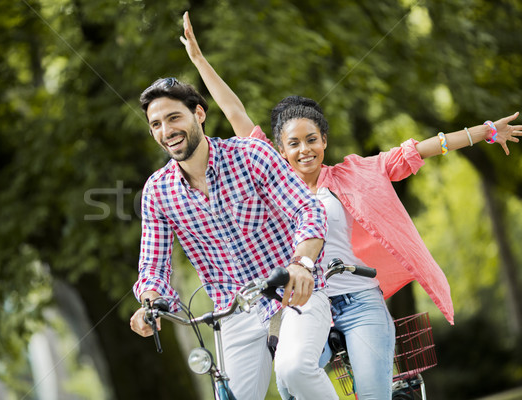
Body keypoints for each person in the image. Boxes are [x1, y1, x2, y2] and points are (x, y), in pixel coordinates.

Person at [180, 11, 522, 399]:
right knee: (291, 379)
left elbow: (422, 149)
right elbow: (235, 113)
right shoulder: (272, 178)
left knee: (374, 393)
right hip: (305, 304)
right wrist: (199, 61)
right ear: (278, 150)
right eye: (293, 144)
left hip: (360, 301)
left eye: (311, 139)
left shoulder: (356, 172)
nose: (304, 150)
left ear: (324, 140)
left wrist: (486, 131)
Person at [129, 76, 342, 400]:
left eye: (174, 117)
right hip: (233, 310)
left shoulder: (249, 155)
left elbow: (307, 210)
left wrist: (301, 265)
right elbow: (153, 265)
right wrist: (149, 302)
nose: (166, 130)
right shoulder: (158, 192)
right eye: (156, 124)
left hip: (292, 292)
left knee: (293, 368)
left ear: (198, 114)